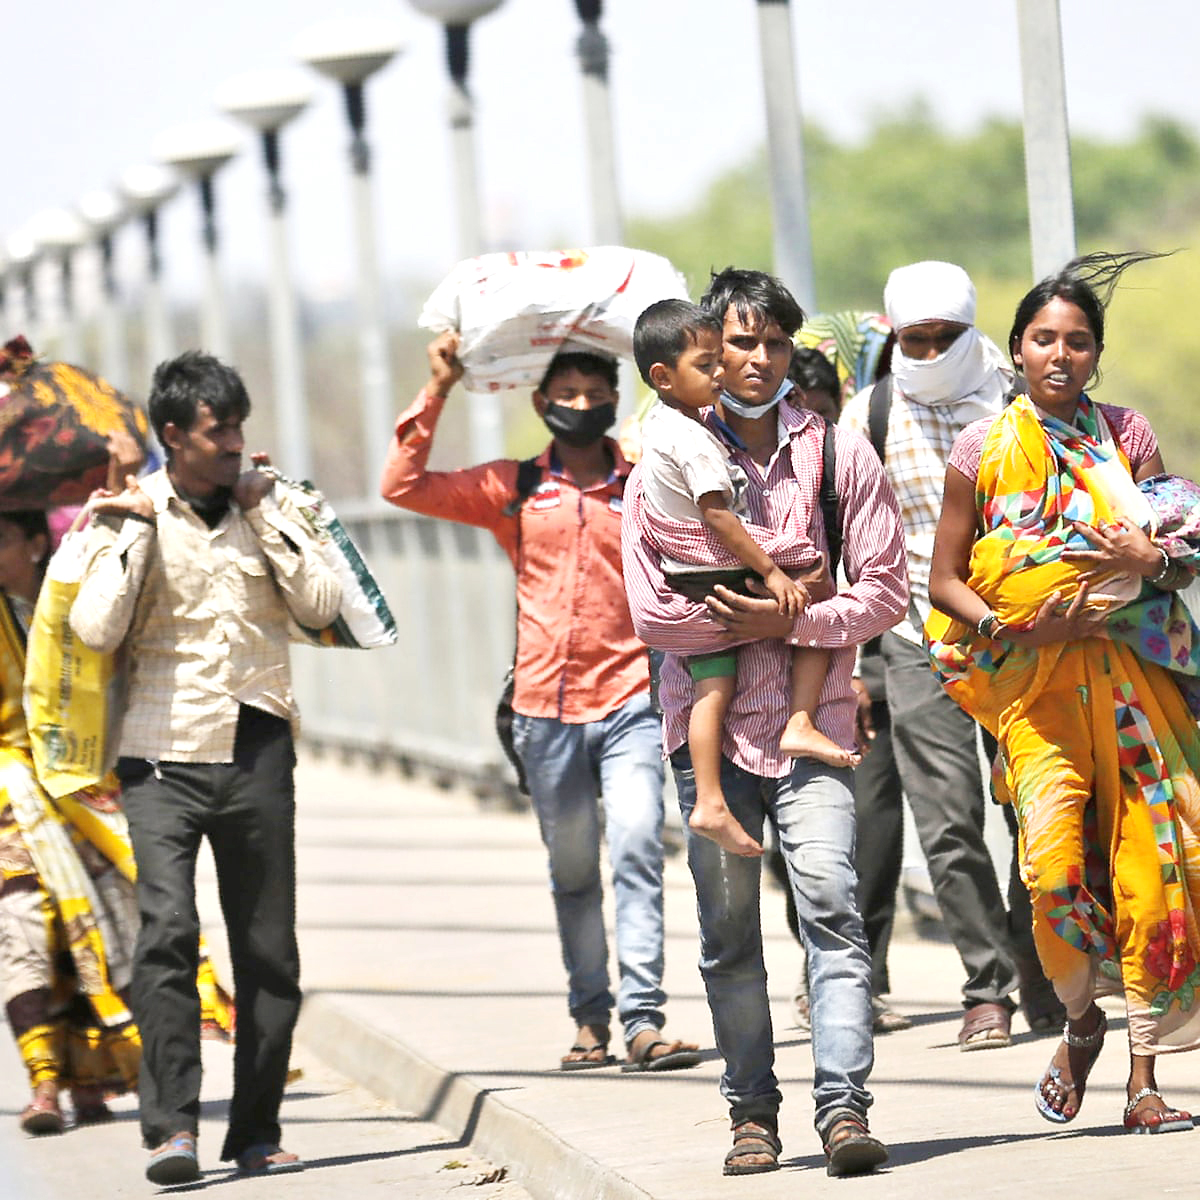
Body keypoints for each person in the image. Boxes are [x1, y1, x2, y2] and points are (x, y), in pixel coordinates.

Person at [622, 267, 908, 1178]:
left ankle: (844, 1107)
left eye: (775, 344)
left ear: (791, 353)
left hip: (812, 722)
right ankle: (752, 1112)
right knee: (728, 933)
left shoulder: (836, 453)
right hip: (705, 730)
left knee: (830, 903)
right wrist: (755, 611)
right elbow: (652, 615)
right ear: (709, 352)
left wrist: (792, 621)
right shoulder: (665, 454)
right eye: (740, 344)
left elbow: (886, 592)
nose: (757, 359)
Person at [927, 251, 1200, 1134]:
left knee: (1153, 875)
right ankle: (1082, 1024)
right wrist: (1014, 626)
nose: (1060, 354)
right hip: (1037, 690)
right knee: (1051, 877)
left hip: (1134, 685)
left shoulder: (1129, 436)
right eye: (1043, 338)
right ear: (1015, 349)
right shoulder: (983, 448)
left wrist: (1146, 560)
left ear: (1096, 355)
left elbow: (1176, 550)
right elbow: (945, 581)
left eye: (1077, 342)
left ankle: (1144, 1073)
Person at [380, 331, 699, 1076]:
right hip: (543, 712)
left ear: (617, 402)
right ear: (542, 403)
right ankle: (590, 1019)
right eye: (568, 396)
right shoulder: (514, 489)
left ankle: (644, 1019)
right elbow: (402, 485)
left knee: (637, 848)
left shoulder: (646, 481)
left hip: (631, 703)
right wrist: (438, 389)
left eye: (595, 395)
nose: (582, 407)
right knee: (575, 872)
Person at [69, 351, 342, 1184]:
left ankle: (256, 1128)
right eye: (218, 432)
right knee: (168, 935)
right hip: (161, 757)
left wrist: (266, 517)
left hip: (258, 747)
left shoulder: (278, 502)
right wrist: (133, 530)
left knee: (268, 950)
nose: (233, 446)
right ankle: (172, 1129)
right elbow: (94, 630)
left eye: (238, 429)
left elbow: (323, 605)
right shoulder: (126, 513)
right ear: (175, 436)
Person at [839, 261, 1021, 1050]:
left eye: (947, 336)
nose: (933, 349)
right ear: (896, 337)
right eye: (917, 339)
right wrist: (853, 659)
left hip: (1025, 640)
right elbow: (846, 540)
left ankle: (1050, 972)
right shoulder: (870, 413)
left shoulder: (1015, 398)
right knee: (950, 824)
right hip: (921, 642)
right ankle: (990, 985)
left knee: (1039, 810)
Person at [632, 300, 852, 859]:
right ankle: (800, 717)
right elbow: (719, 516)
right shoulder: (692, 438)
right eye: (709, 364)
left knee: (711, 687)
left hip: (691, 580)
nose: (722, 374)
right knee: (813, 584)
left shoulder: (656, 428)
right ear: (664, 376)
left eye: (776, 345)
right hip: (711, 565)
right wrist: (776, 573)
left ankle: (707, 799)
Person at [0, 510, 141, 1134]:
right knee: (24, 923)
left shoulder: (79, 603)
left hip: (86, 788)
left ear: (36, 543)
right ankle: (44, 1084)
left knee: (96, 928)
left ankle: (92, 1081)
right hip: (10, 793)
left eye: (1, 539)